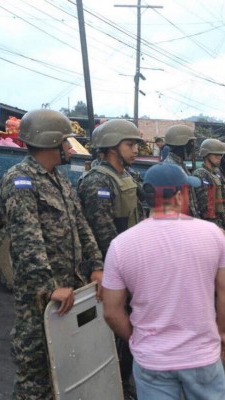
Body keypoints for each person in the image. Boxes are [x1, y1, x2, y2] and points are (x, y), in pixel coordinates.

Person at [102, 163, 225, 400]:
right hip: (201, 355)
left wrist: (137, 339)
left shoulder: (121, 245)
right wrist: (222, 331)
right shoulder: (212, 234)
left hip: (152, 360)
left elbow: (112, 311)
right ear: (177, 196)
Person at [0, 109, 103, 399]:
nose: (70, 148)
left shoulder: (60, 180)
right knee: (35, 376)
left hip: (71, 292)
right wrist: (49, 288)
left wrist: (96, 265)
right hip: (40, 299)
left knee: (67, 369)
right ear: (51, 142)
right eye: (66, 142)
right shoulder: (20, 180)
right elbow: (26, 239)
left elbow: (81, 224)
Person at [77, 118, 144, 399]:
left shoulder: (127, 176)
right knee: (115, 332)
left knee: (132, 328)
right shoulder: (97, 181)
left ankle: (127, 382)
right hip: (113, 269)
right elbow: (104, 234)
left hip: (132, 264)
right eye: (130, 145)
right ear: (110, 147)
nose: (135, 150)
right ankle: (117, 387)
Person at [161, 124, 199, 217]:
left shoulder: (179, 164)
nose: (192, 148)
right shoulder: (171, 167)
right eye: (190, 144)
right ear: (182, 144)